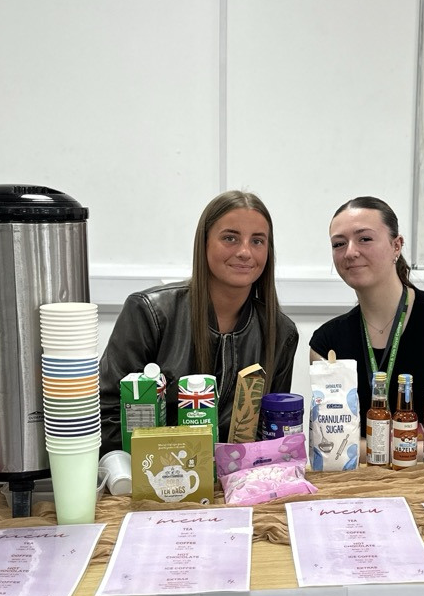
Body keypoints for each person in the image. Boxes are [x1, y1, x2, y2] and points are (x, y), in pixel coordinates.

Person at [100, 190, 298, 449]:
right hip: (156, 477)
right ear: (203, 243)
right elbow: (106, 416)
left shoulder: (281, 332)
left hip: (239, 482)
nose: (245, 252)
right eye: (230, 238)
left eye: (258, 241)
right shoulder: (149, 312)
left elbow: (273, 431)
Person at [309, 196, 424, 442]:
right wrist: (413, 442)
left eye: (364, 239)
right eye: (339, 244)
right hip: (368, 479)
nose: (351, 252)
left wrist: (370, 447)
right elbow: (330, 448)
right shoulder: (326, 344)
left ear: (396, 246)